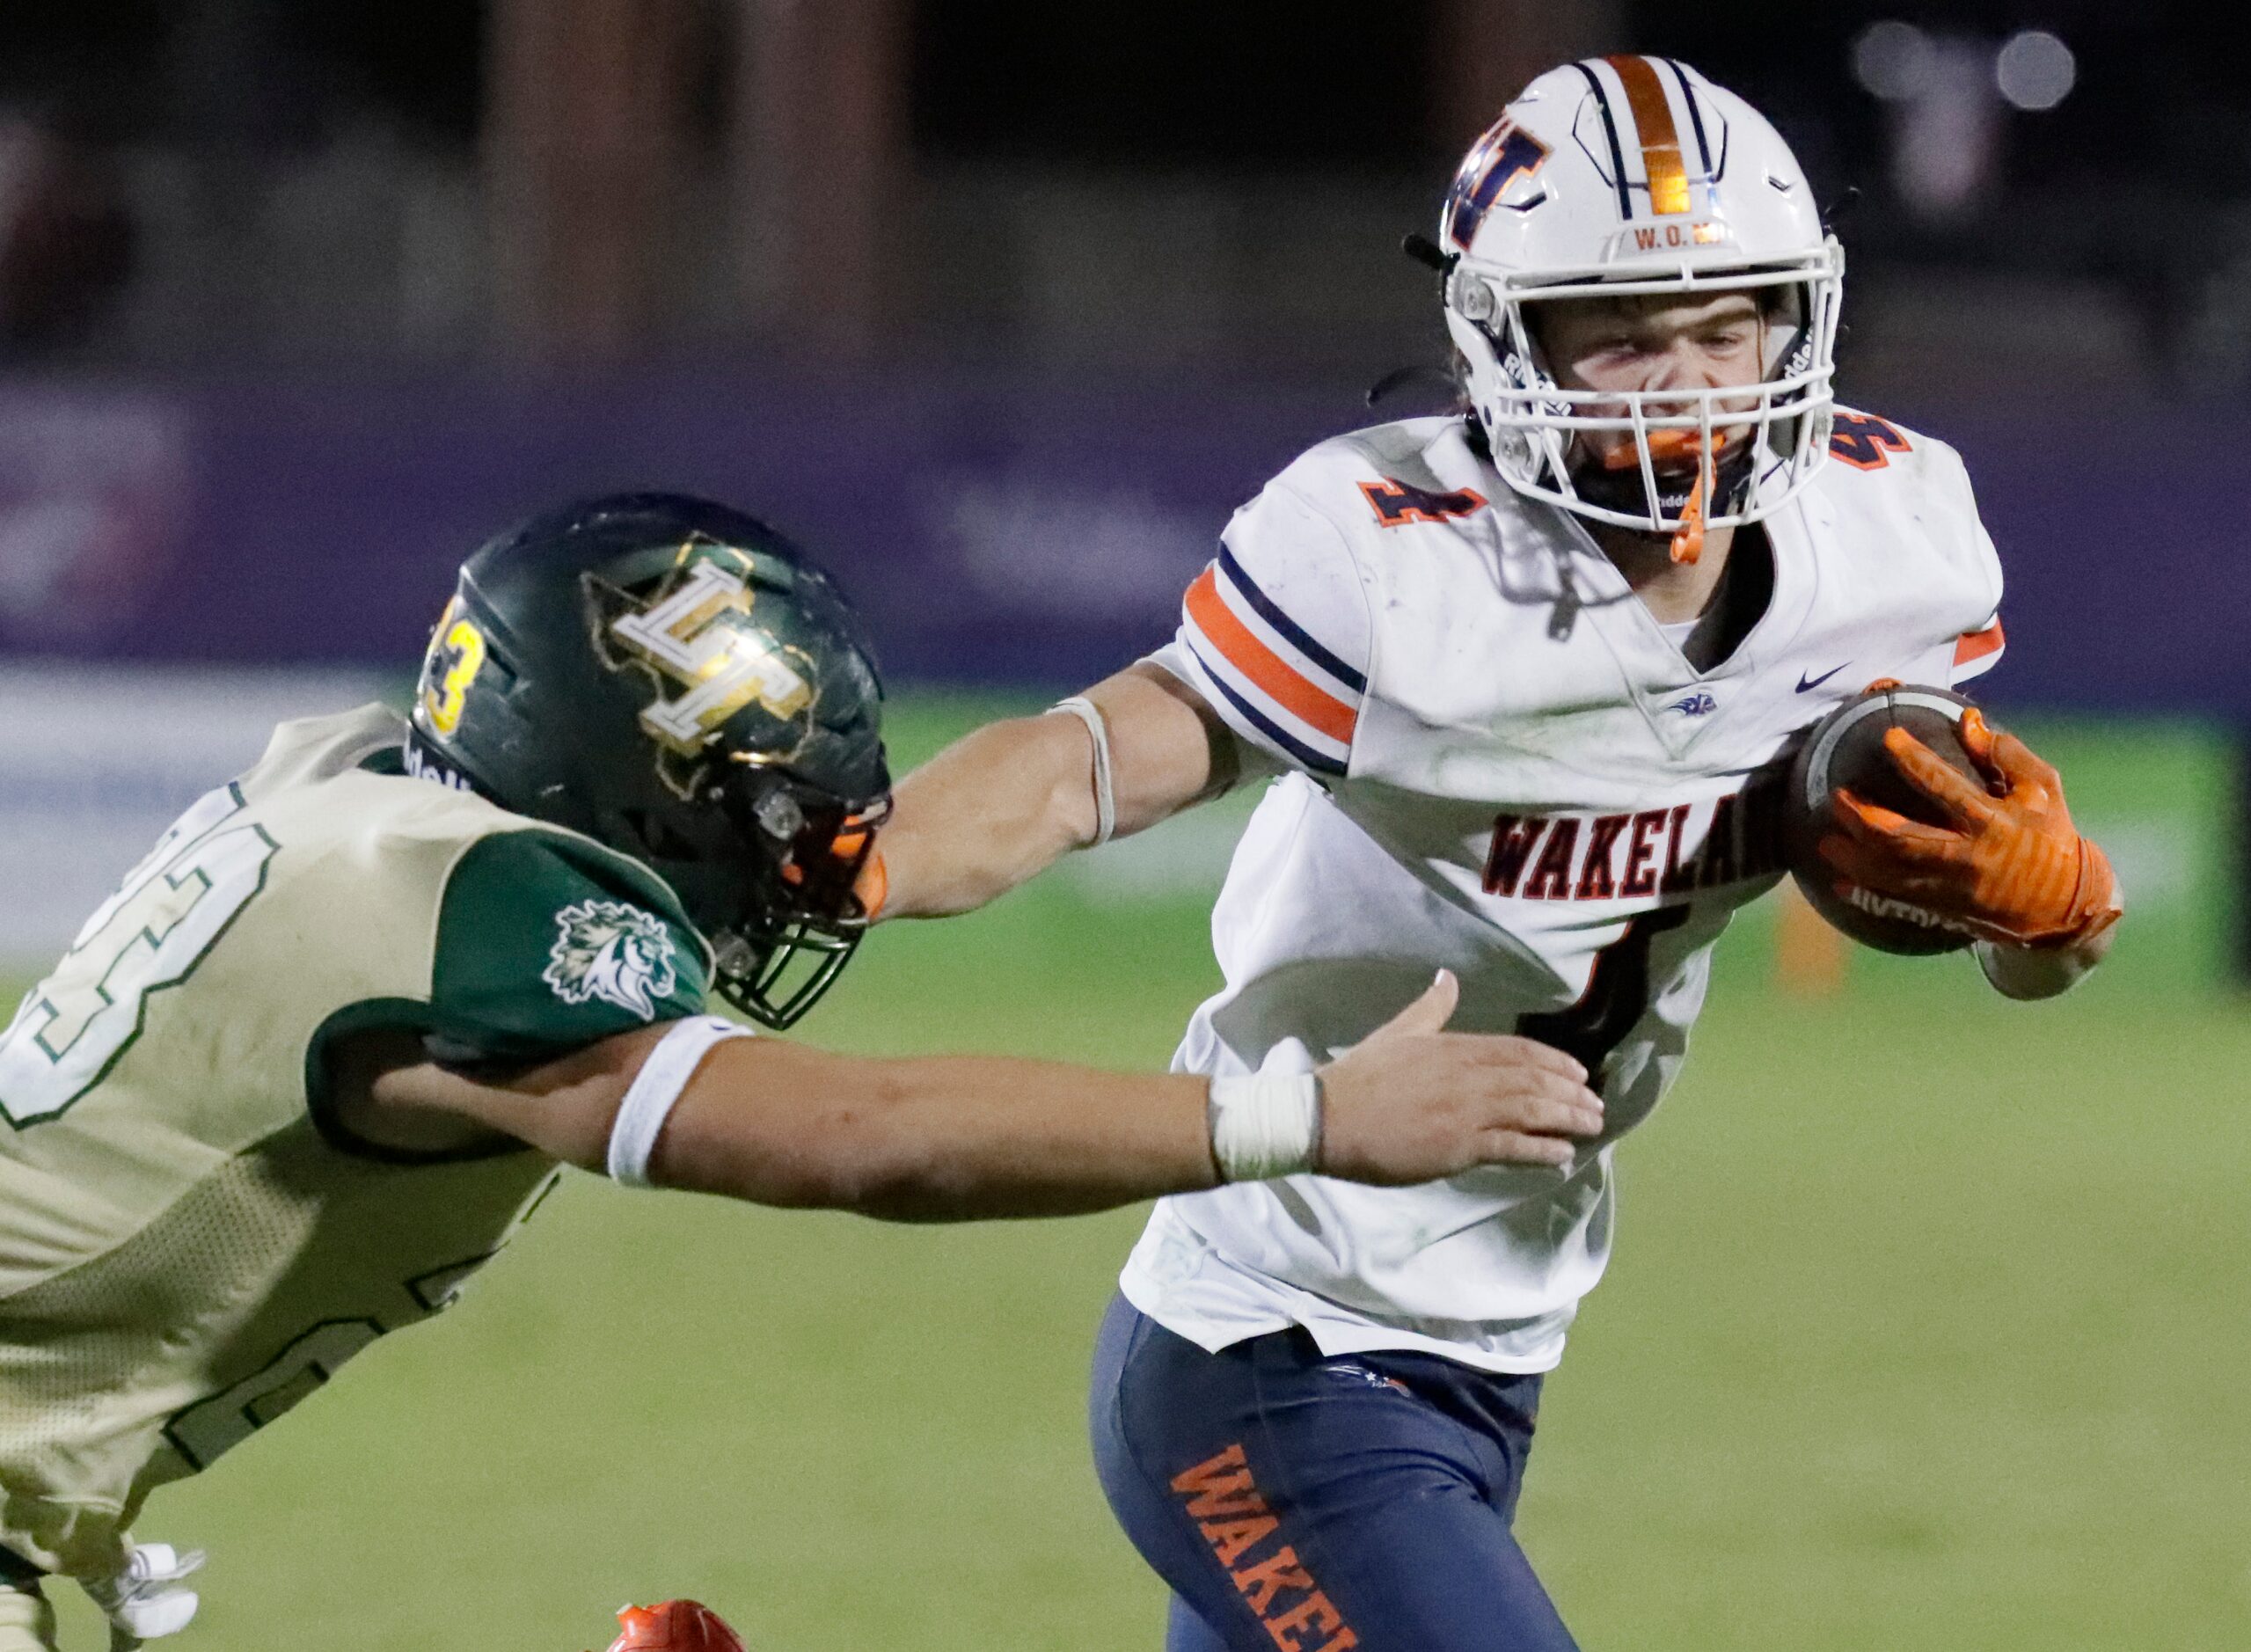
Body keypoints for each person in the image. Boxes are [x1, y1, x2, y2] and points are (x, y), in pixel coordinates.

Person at [870, 57, 2122, 1651]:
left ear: (1796, 325)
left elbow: (1997, 915)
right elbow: (1085, 767)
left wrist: (2057, 912)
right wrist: (857, 862)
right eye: (1620, 333)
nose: (1681, 382)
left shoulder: (1892, 542)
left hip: (1500, 1329)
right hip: (1278, 1340)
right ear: (1506, 338)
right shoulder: (1391, 555)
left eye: (1723, 325)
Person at [0, 493, 1609, 1651]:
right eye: (764, 822)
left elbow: (853, 894)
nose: (784, 878)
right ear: (634, 789)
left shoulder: (362, 793)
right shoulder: (482, 914)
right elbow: (865, 1138)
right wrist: (1304, 1116)